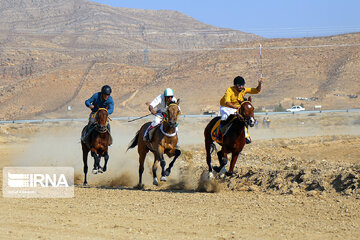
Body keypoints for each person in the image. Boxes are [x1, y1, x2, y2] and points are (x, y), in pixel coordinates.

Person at [218, 76, 263, 143]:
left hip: (237, 107)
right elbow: (227, 103)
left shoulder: (244, 90)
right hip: (226, 107)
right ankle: (219, 134)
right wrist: (236, 107)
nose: (241, 87)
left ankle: (246, 136)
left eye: (242, 85)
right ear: (235, 85)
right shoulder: (229, 90)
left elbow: (257, 90)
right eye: (239, 85)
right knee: (225, 117)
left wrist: (260, 84)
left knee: (244, 118)